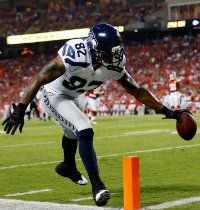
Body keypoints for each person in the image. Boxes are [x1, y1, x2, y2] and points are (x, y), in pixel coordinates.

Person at [2, 23, 190, 207]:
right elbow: (41, 77)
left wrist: (168, 111)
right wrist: (20, 109)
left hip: (74, 96)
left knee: (71, 132)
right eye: (110, 52)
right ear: (93, 49)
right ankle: (97, 186)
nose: (115, 56)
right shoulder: (75, 52)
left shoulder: (114, 63)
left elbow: (138, 91)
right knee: (85, 130)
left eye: (117, 51)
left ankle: (67, 166)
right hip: (54, 94)